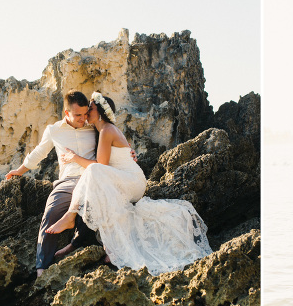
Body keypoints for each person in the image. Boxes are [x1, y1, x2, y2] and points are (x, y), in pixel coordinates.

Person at [46, 91, 212, 275]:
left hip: (132, 181)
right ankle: (106, 247)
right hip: (124, 177)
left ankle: (71, 217)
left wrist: (74, 158)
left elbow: (100, 165)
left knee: (93, 172)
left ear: (99, 112)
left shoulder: (107, 130)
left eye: (90, 110)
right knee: (101, 194)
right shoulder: (100, 130)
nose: (86, 115)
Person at [6, 90, 100, 277]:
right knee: (51, 212)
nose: (83, 119)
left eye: (85, 114)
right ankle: (42, 266)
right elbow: (39, 153)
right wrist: (20, 170)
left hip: (93, 178)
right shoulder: (54, 130)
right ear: (67, 113)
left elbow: (112, 143)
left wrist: (128, 154)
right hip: (67, 181)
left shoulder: (94, 126)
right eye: (78, 115)